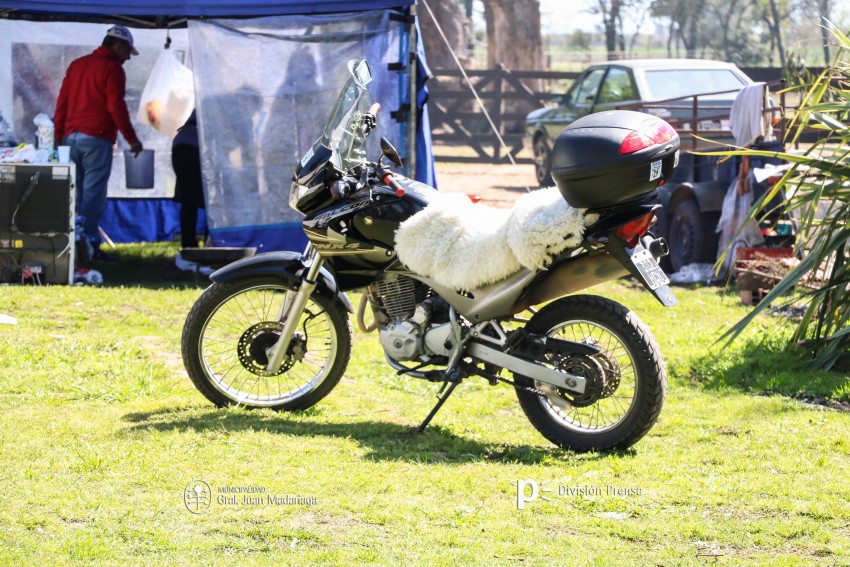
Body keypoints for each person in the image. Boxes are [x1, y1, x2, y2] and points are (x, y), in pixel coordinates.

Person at [54, 24, 144, 263]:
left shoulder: (77, 65)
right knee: (93, 196)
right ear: (117, 45)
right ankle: (89, 246)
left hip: (70, 138)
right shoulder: (112, 68)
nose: (127, 58)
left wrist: (57, 139)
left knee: (76, 194)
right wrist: (132, 139)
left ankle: (72, 244)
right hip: (96, 138)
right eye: (127, 51)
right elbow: (116, 105)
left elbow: (61, 103)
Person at [171, 111, 210, 273]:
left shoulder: (209, 96)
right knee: (212, 200)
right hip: (197, 147)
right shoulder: (229, 105)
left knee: (188, 200)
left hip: (180, 144)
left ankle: (188, 246)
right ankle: (212, 245)